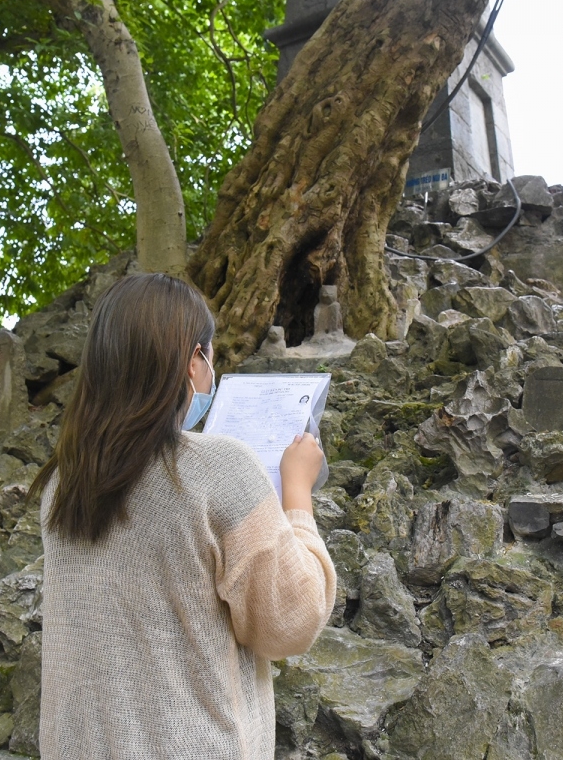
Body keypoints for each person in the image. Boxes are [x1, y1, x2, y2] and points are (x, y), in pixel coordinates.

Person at [32, 273, 336, 759]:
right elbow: (288, 623)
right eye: (209, 355)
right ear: (195, 360)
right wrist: (297, 492)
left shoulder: (62, 484)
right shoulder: (220, 468)